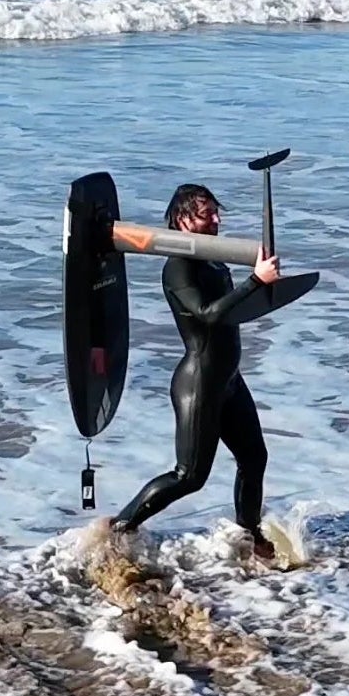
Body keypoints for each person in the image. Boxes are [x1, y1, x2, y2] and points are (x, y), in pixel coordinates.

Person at [112, 182, 282, 555]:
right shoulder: (179, 268)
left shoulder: (214, 261)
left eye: (217, 213)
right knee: (189, 476)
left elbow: (235, 309)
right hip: (199, 382)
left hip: (229, 380)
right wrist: (255, 280)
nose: (217, 221)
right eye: (207, 215)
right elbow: (207, 315)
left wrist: (267, 287)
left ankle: (250, 537)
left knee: (254, 458)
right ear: (183, 220)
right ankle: (118, 529)